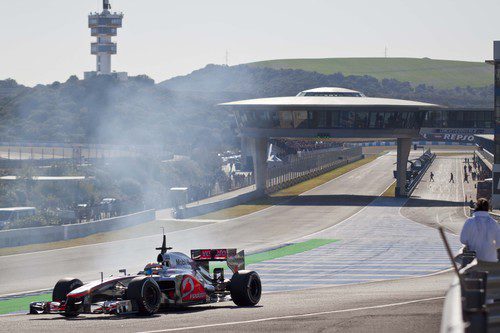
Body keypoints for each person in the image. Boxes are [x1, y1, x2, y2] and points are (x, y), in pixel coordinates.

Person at [460, 198, 500, 266]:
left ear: (476, 207)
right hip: (490, 261)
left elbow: (463, 240)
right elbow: (499, 243)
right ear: (488, 208)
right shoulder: (494, 223)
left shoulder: (469, 221)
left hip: (473, 262)